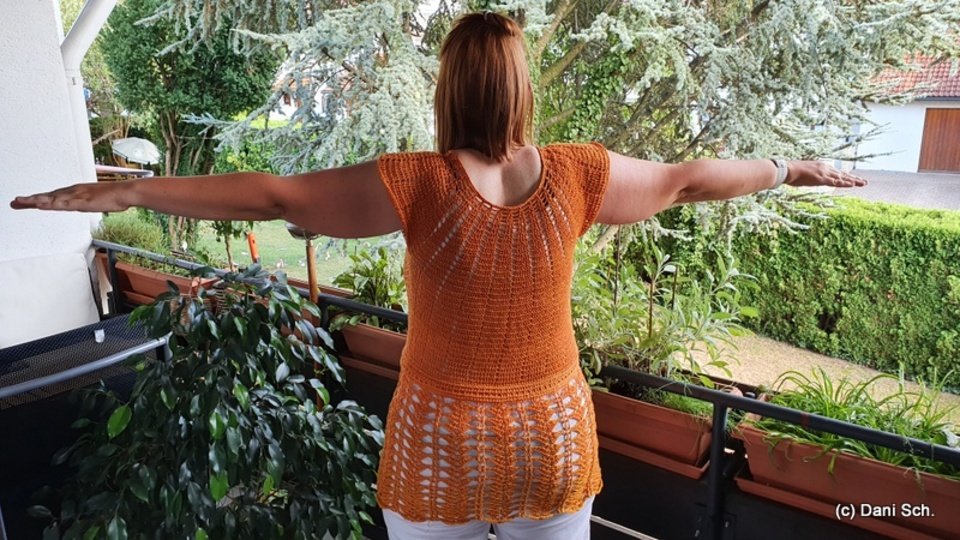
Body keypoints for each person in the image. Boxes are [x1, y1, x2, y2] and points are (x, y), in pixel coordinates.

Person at [10, 11, 865, 540]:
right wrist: (790, 168)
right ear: (522, 90)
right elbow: (687, 179)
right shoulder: (577, 174)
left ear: (448, 89)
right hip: (552, 434)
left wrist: (128, 188)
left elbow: (274, 194)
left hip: (438, 437)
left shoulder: (417, 182)